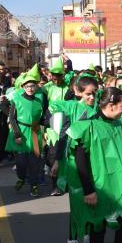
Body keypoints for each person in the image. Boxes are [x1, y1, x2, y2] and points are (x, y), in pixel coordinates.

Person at [66, 87, 122, 243]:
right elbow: (79, 160)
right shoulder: (87, 126)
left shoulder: (119, 126)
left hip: (120, 185)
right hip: (99, 187)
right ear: (111, 105)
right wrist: (88, 189)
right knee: (99, 227)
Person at [50, 77, 98, 243]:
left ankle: (86, 235)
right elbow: (63, 134)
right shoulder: (72, 107)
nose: (91, 97)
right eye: (87, 94)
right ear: (78, 92)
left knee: (91, 198)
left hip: (93, 159)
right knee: (77, 200)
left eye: (94, 93)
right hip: (73, 160)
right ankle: (72, 240)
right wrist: (57, 160)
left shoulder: (97, 109)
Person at [5, 64, 50, 197]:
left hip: (36, 131)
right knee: (21, 161)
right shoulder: (17, 99)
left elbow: (43, 118)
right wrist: (17, 134)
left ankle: (34, 185)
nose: (30, 88)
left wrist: (45, 132)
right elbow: (12, 118)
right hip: (21, 131)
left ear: (36, 87)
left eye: (32, 86)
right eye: (27, 86)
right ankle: (21, 177)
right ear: (23, 87)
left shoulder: (40, 99)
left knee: (35, 161)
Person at [42, 58, 71, 196]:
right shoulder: (46, 88)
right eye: (54, 75)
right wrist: (44, 127)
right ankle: (55, 185)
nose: (56, 78)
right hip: (52, 125)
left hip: (67, 124)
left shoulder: (68, 88)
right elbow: (42, 107)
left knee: (66, 155)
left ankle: (64, 183)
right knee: (53, 155)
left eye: (59, 75)